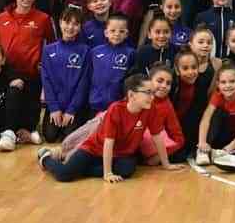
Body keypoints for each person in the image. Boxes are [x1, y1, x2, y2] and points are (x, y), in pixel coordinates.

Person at [37, 74, 184, 182]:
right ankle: (46, 158)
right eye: (148, 93)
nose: (152, 97)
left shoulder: (150, 110)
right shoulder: (116, 109)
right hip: (94, 149)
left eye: (152, 93)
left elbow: (157, 136)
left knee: (127, 171)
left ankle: (83, 169)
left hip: (122, 154)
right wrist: (107, 174)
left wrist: (166, 164)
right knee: (64, 175)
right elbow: (108, 142)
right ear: (132, 95)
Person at [0, 0, 55, 147]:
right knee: (11, 103)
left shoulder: (43, 19)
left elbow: (52, 44)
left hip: (32, 74)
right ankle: (8, 133)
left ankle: (29, 129)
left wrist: (43, 65)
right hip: (8, 73)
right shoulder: (2, 18)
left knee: (29, 112)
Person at [40, 7, 91, 143]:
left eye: (75, 24)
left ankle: (69, 124)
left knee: (70, 136)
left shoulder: (85, 51)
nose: (70, 27)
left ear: (80, 27)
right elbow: (46, 80)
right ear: (60, 22)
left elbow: (83, 83)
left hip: (73, 106)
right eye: (67, 22)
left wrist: (71, 110)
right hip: (56, 104)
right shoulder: (48, 50)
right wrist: (54, 108)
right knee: (49, 136)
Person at [195, 62, 235, 162]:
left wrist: (230, 147)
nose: (228, 86)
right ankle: (203, 151)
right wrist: (202, 142)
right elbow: (206, 119)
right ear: (218, 84)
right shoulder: (217, 96)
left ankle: (226, 151)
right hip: (223, 133)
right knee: (217, 114)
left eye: (232, 81)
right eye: (223, 82)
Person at [88, 14, 136, 115]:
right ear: (106, 33)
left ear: (127, 34)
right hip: (95, 104)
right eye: (113, 31)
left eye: (121, 31)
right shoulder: (95, 52)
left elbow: (131, 80)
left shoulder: (131, 53)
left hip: (118, 106)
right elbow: (88, 77)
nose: (117, 34)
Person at [140, 64, 185, 164]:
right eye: (159, 81)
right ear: (149, 81)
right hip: (132, 145)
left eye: (168, 83)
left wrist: (158, 157)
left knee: (181, 154)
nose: (164, 86)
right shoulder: (138, 97)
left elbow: (179, 138)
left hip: (154, 147)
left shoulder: (167, 105)